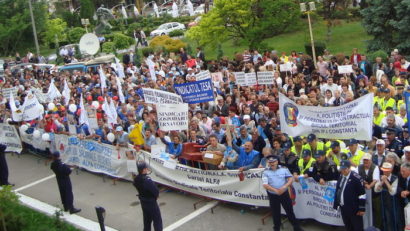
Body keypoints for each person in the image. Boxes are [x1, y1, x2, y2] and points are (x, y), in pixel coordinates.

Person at [262, 155, 304, 231]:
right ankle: (276, 228)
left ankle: (296, 227)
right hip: (273, 195)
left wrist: (284, 187)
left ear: (277, 161)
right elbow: (265, 185)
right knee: (275, 213)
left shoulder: (284, 169)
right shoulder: (265, 171)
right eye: (270, 162)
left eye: (274, 161)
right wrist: (276, 190)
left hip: (284, 193)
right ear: (268, 162)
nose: (272, 163)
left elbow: (290, 179)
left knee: (289, 211)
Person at [333, 160, 366, 231]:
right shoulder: (341, 176)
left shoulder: (356, 178)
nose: (343, 171)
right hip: (344, 207)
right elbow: (338, 190)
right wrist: (336, 204)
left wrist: (362, 208)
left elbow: (362, 194)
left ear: (349, 168)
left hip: (354, 209)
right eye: (341, 169)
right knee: (348, 226)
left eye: (345, 169)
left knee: (357, 227)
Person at [133, 161, 163, 231]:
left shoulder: (136, 179)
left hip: (143, 201)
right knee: (157, 220)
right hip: (151, 202)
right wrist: (156, 195)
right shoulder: (147, 180)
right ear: (143, 169)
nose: (147, 169)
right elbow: (155, 191)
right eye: (146, 168)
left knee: (146, 221)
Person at [374, 162, 400, 231]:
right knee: (383, 219)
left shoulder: (395, 178)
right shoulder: (380, 177)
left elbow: (392, 192)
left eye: (386, 171)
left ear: (390, 170)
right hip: (383, 201)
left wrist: (386, 181)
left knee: (392, 220)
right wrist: (382, 181)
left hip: (393, 202)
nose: (385, 172)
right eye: (384, 170)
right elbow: (376, 190)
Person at [358, 153, 380, 229]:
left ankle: (371, 226)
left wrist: (369, 186)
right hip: (362, 191)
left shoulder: (375, 167)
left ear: (370, 161)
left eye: (367, 161)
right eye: (364, 161)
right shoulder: (360, 167)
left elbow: (375, 180)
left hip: (372, 192)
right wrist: (363, 183)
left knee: (372, 210)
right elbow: (358, 177)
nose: (365, 162)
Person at [398, 163, 410, 230]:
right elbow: (399, 187)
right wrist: (402, 191)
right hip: (403, 202)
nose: (402, 173)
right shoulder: (400, 176)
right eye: (401, 171)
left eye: (403, 171)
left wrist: (408, 192)